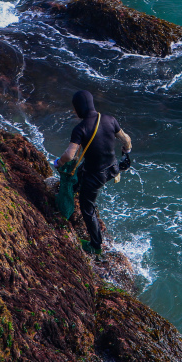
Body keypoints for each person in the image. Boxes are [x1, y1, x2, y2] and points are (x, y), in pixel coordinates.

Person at [56, 90, 131, 255]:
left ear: (79, 108)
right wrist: (126, 151)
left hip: (96, 175)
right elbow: (126, 140)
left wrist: (59, 163)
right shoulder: (110, 120)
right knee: (81, 171)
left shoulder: (80, 128)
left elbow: (69, 155)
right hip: (112, 168)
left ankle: (96, 246)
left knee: (86, 207)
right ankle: (75, 190)